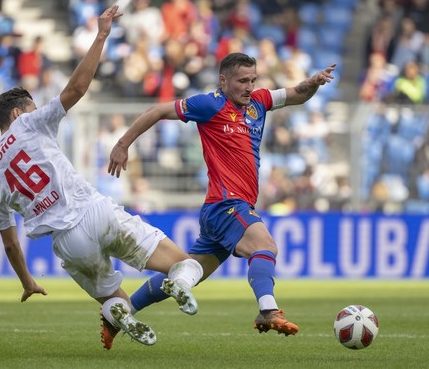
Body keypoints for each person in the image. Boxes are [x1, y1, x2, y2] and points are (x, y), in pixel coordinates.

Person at [0, 5, 203, 350]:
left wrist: (27, 280)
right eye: (32, 107)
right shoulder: (28, 123)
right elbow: (75, 90)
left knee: (112, 299)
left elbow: (10, 241)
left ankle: (119, 313)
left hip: (68, 242)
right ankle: (179, 283)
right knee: (184, 264)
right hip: (94, 211)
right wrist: (101, 34)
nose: (38, 111)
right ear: (17, 113)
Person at [108, 52, 335, 342]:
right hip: (227, 204)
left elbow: (298, 94)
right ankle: (268, 309)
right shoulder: (209, 104)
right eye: (242, 81)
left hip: (224, 208)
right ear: (223, 80)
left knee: (188, 272)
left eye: (253, 79)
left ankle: (119, 313)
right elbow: (157, 111)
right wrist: (122, 144)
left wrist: (314, 82)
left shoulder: (260, 102)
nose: (249, 87)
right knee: (265, 246)